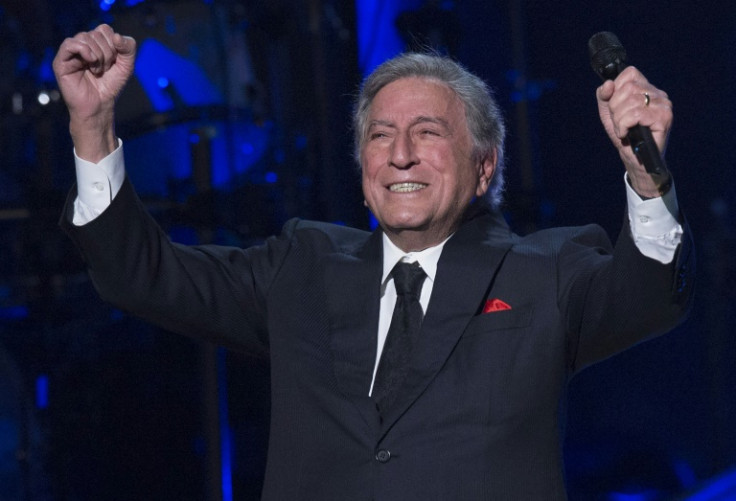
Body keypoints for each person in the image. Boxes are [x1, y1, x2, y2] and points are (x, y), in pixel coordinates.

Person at [53, 24, 693, 500]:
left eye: (429, 132)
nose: (401, 155)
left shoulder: (546, 270)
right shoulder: (302, 265)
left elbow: (646, 298)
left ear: (484, 167)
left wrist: (645, 180)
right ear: (363, 175)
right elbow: (142, 274)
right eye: (381, 136)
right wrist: (93, 124)